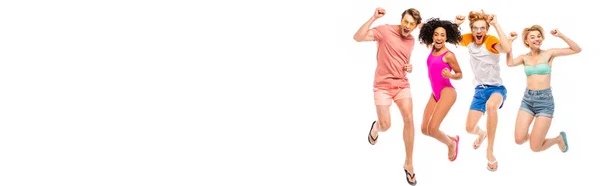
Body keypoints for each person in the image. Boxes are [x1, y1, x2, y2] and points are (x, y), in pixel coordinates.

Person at [353, 7, 422, 186]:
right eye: (405, 21)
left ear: (415, 26)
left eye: (411, 24)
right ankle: (375, 128)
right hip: (382, 86)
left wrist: (409, 67)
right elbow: (358, 37)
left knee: (409, 118)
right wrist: (373, 18)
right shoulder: (384, 31)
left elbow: (403, 60)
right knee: (386, 125)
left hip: (401, 85)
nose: (407, 26)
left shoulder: (412, 40)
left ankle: (409, 163)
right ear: (401, 20)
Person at [505, 25, 581, 154]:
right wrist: (509, 43)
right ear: (527, 41)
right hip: (528, 100)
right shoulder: (524, 57)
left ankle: (558, 139)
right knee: (519, 139)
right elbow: (510, 63)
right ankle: (537, 138)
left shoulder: (549, 53)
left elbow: (576, 49)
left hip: (545, 102)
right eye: (533, 37)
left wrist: (561, 35)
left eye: (539, 36)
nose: (537, 39)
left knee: (535, 147)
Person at [454, 10, 512, 171]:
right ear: (472, 30)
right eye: (475, 28)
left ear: (486, 30)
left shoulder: (490, 41)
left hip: (496, 89)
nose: (479, 31)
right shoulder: (469, 39)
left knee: (491, 106)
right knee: (469, 128)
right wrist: (457, 24)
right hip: (479, 91)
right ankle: (481, 134)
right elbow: (450, 37)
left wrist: (495, 24)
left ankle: (490, 150)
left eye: (482, 28)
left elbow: (506, 48)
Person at [417, 18, 463, 162]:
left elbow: (460, 74)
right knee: (424, 130)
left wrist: (450, 75)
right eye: (436, 34)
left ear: (446, 37)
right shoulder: (431, 48)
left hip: (447, 91)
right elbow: (421, 26)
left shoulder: (449, 55)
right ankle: (453, 139)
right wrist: (455, 24)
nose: (439, 37)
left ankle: (451, 144)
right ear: (432, 35)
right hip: (435, 93)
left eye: (442, 35)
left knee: (433, 129)